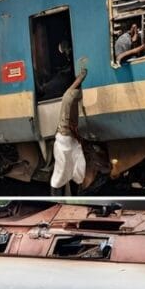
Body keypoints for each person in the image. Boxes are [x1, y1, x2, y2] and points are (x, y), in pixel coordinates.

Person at [50, 67, 88, 195]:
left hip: (67, 140)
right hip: (65, 140)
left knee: (66, 171)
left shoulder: (71, 108)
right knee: (67, 170)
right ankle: (59, 196)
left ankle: (62, 195)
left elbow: (69, 95)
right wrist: (81, 77)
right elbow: (68, 95)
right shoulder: (68, 109)